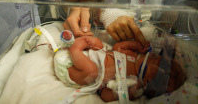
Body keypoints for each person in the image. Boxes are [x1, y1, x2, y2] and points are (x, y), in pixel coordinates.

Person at [54, 33, 185, 103]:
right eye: (157, 60)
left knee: (92, 72)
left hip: (74, 70)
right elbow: (117, 48)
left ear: (148, 82)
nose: (154, 61)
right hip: (84, 55)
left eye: (158, 68)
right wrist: (135, 46)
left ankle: (75, 48)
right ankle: (73, 47)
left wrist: (128, 93)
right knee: (99, 43)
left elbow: (105, 95)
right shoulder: (137, 55)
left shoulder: (132, 80)